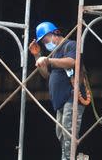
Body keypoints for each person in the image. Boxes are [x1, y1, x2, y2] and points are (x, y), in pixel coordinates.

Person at [32, 21, 85, 160]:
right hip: (60, 101)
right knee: (61, 134)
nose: (45, 43)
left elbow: (72, 62)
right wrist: (38, 56)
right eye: (43, 42)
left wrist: (48, 60)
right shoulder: (54, 53)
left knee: (69, 133)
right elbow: (45, 74)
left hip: (71, 97)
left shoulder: (70, 45)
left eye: (46, 39)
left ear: (55, 33)